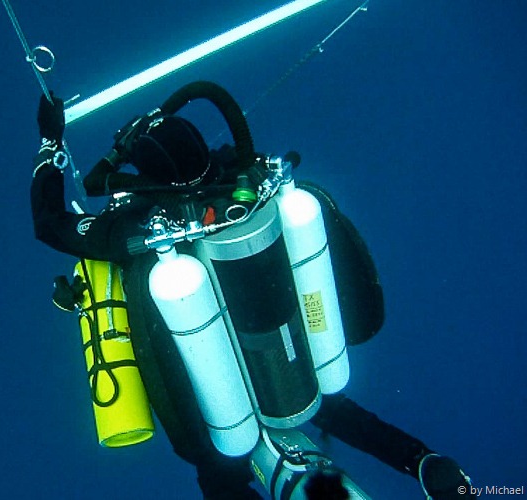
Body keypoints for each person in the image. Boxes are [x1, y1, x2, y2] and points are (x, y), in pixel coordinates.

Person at [30, 81, 472, 499]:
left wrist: (50, 143)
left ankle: (417, 462)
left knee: (219, 472)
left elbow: (50, 224)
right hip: (284, 355)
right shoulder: (248, 178)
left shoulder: (135, 227)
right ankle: (423, 462)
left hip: (206, 391)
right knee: (330, 407)